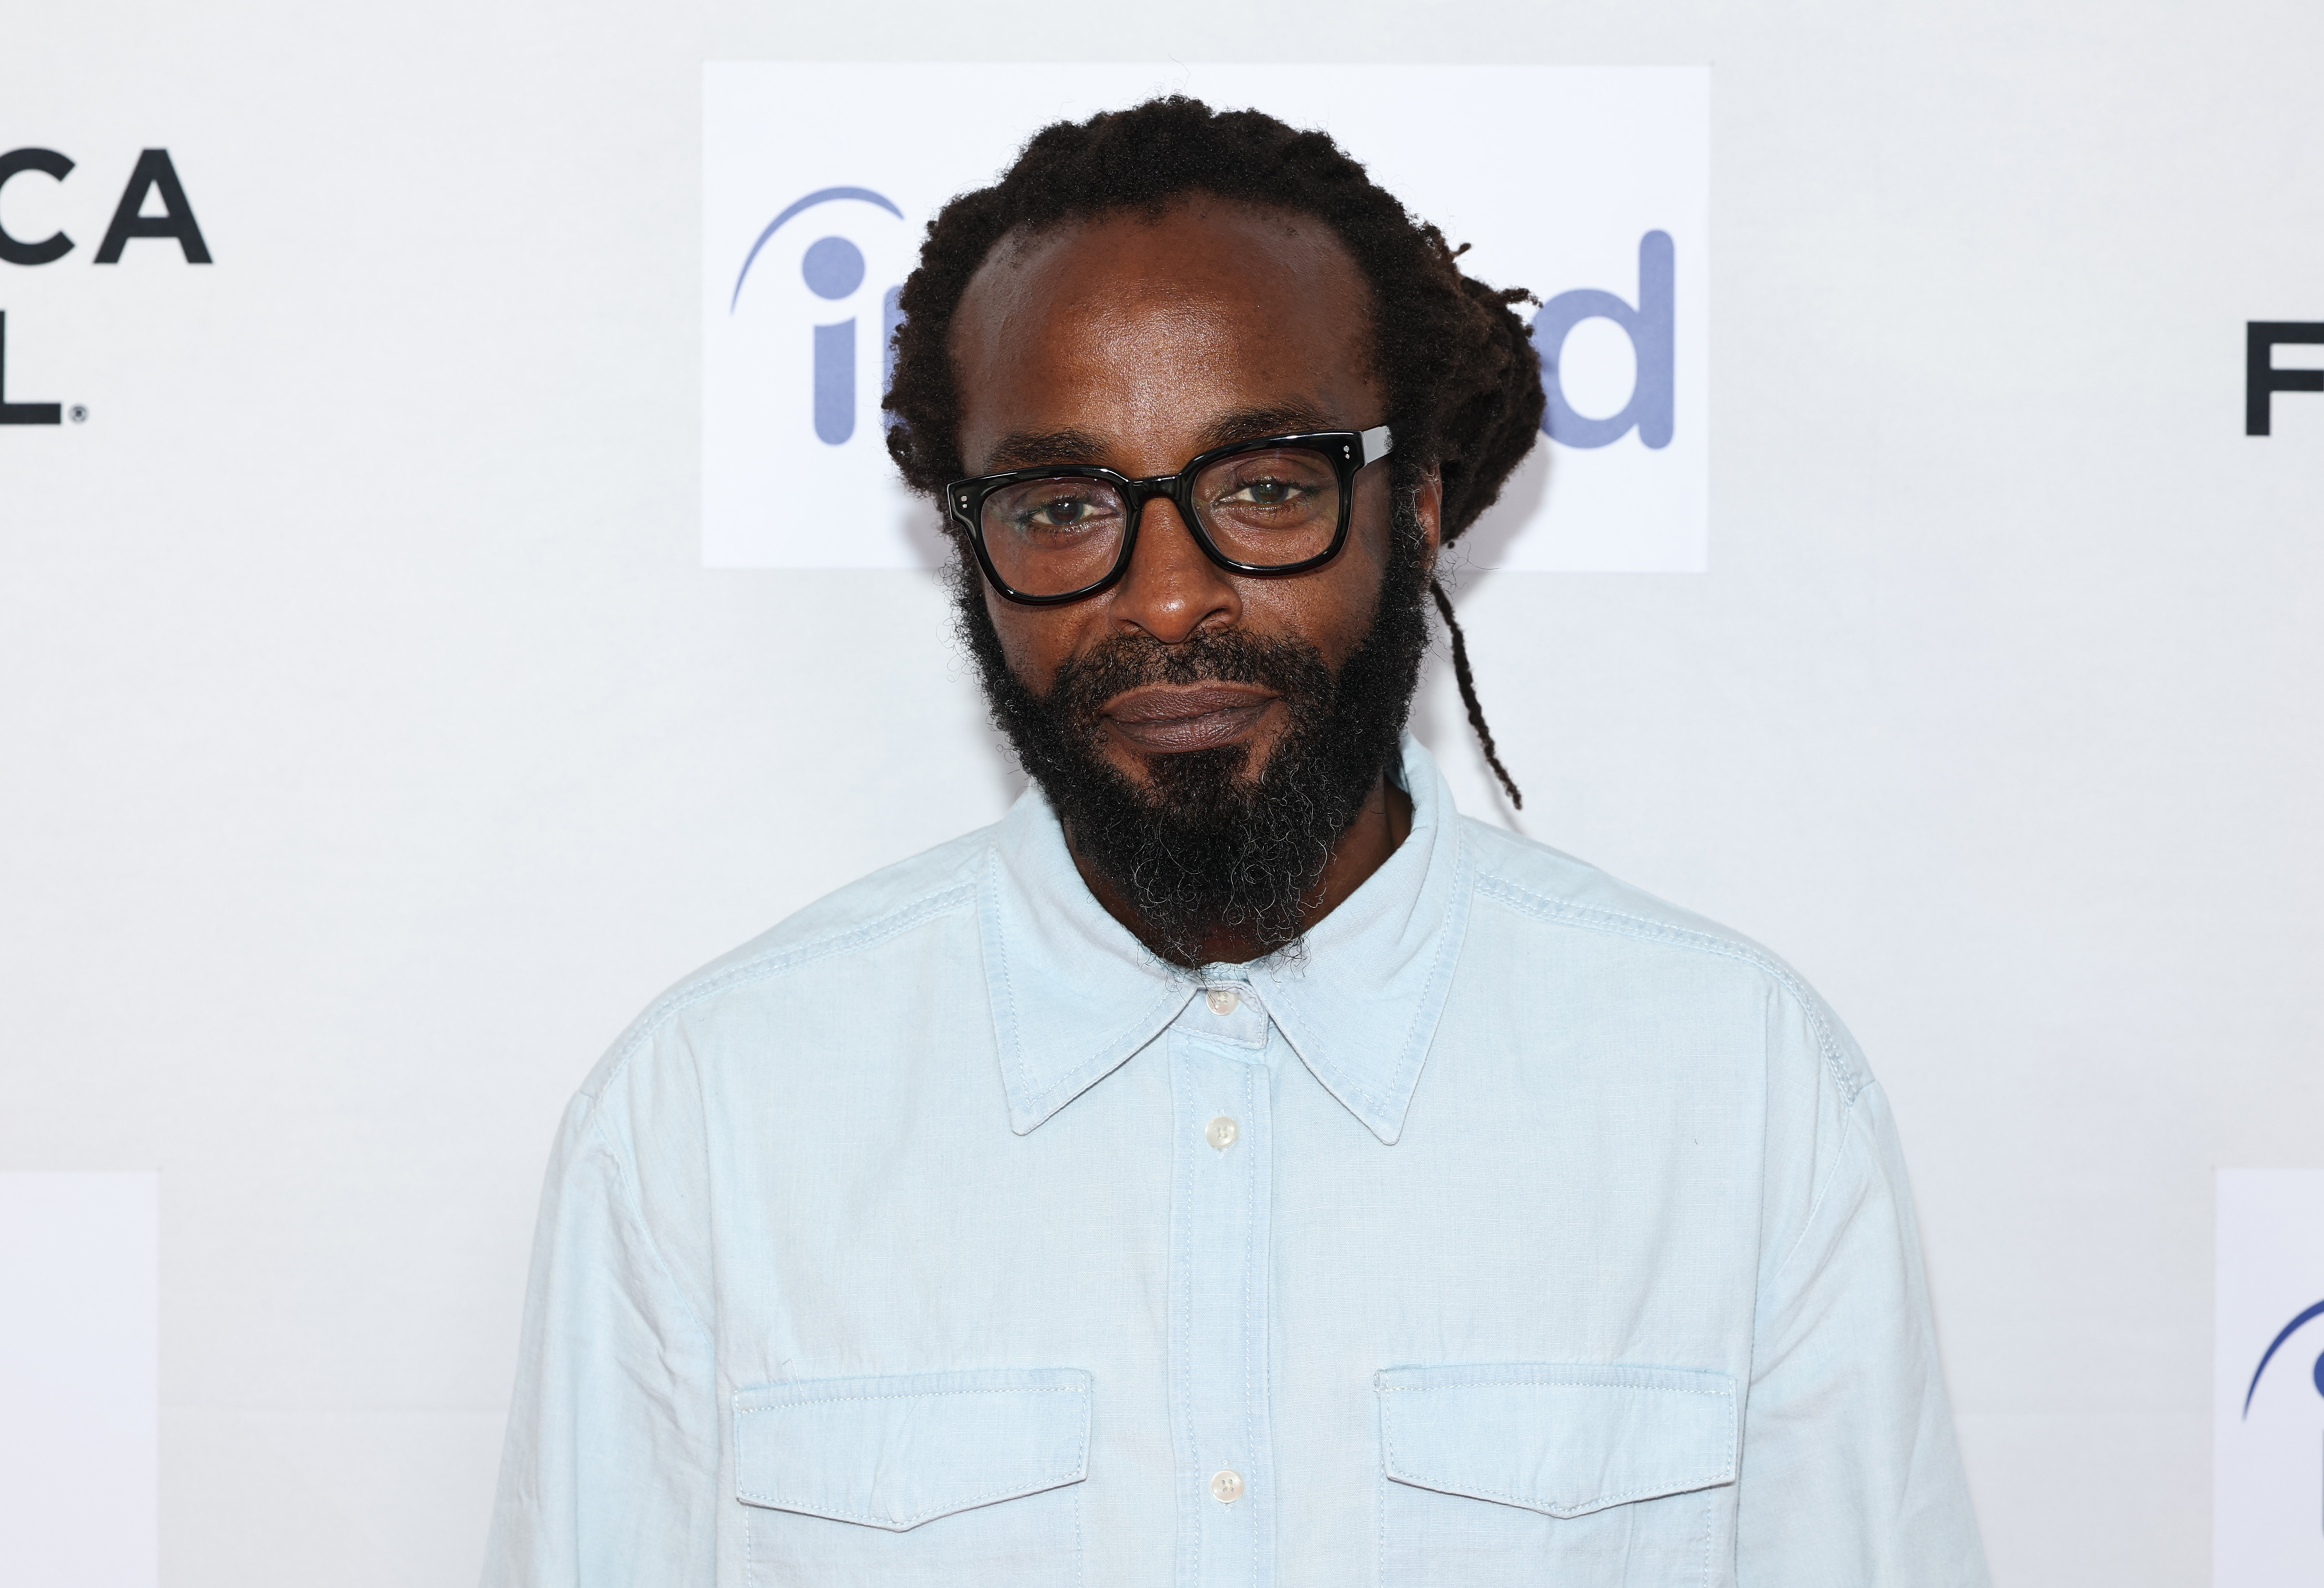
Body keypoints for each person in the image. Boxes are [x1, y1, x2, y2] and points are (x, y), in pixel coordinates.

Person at [482, 96, 1989, 1587]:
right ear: (971, 547)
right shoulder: (705, 1124)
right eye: (1066, 503)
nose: (1166, 598)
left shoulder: (1739, 1094)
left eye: (1266, 487)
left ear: (1416, 505)